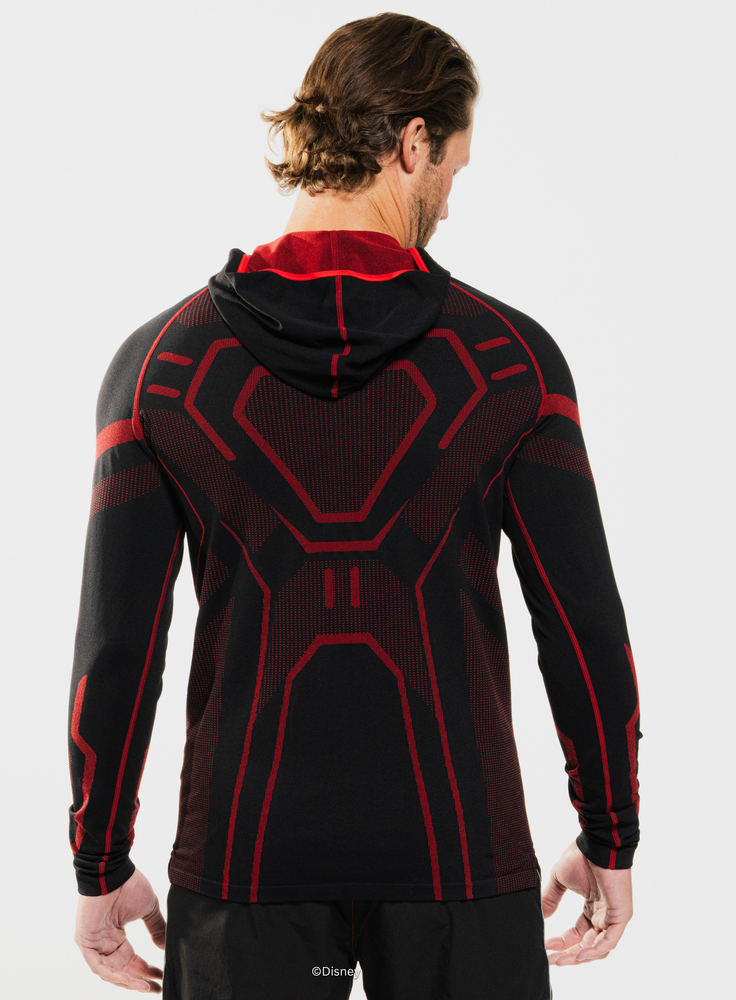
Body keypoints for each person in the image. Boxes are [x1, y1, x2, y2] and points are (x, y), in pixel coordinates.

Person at [68, 12, 641, 999]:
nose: (450, 201)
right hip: (461, 865)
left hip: (245, 868)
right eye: (454, 169)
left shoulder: (159, 367)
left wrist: (99, 862)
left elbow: (117, 649)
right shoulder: (510, 362)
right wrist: (608, 836)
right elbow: (582, 627)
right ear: (413, 143)